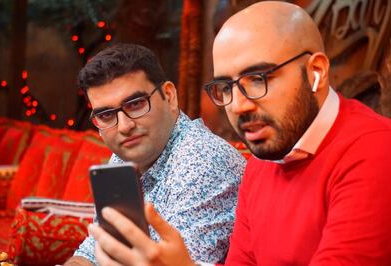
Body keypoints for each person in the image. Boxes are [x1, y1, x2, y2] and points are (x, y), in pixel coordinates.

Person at [87, 1, 391, 266]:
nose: (239, 105)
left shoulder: (375, 152)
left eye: (257, 79)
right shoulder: (263, 161)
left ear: (316, 73)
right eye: (226, 87)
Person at [63, 44, 245, 266]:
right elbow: (97, 247)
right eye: (107, 115)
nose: (124, 126)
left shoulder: (203, 161)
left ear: (169, 96)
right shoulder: (124, 156)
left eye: (136, 104)